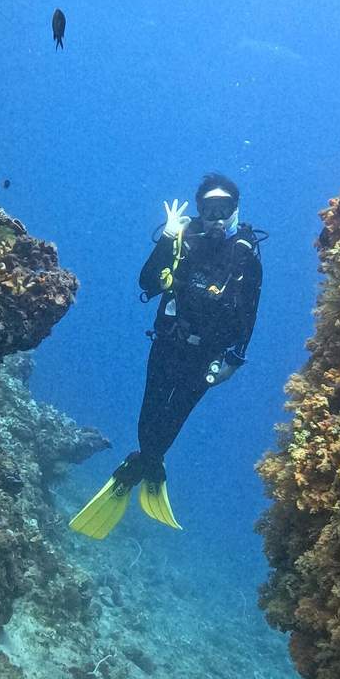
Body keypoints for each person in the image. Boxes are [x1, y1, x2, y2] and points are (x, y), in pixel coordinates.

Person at [69, 173, 263, 539]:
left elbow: (250, 311)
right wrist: (169, 238)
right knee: (150, 414)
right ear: (200, 211)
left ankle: (141, 463)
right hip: (169, 344)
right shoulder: (183, 241)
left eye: (224, 209)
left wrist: (234, 361)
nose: (217, 218)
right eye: (209, 209)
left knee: (176, 416)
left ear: (236, 210)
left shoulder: (246, 254)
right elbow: (147, 283)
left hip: (208, 356)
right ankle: (149, 461)